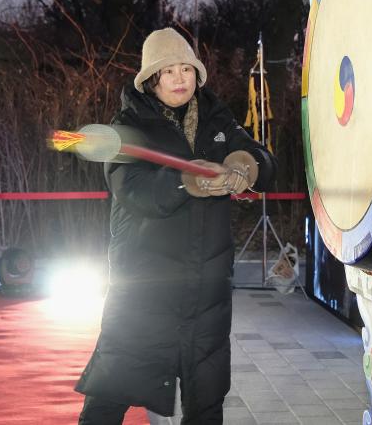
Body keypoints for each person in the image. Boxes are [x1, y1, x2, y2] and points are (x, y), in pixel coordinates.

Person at [76, 28, 277, 423]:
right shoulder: (129, 127)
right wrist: (186, 181)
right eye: (169, 71)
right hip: (145, 290)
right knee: (109, 395)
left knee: (206, 403)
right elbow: (133, 192)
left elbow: (262, 159)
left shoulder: (217, 119)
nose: (180, 78)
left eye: (187, 69)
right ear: (152, 79)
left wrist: (244, 166)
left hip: (206, 293)